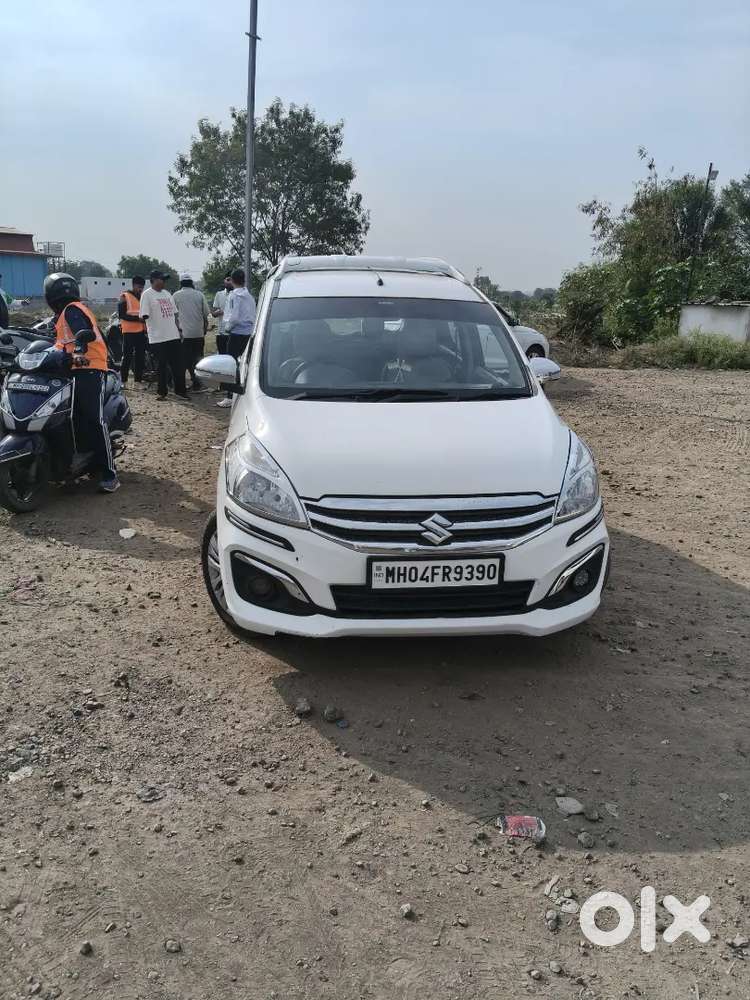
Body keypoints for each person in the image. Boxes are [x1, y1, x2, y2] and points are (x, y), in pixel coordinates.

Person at [43, 272, 119, 493]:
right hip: (73, 368)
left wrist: (78, 349)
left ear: (50, 296)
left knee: (94, 419)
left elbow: (82, 332)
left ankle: (109, 473)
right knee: (71, 417)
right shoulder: (64, 315)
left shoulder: (72, 310)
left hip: (89, 368)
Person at [139, 270, 188, 401]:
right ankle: (162, 392)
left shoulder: (167, 294)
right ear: (153, 280)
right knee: (161, 366)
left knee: (179, 365)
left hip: (173, 335)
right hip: (158, 337)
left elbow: (175, 314)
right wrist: (148, 331)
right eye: (161, 279)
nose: (164, 282)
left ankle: (180, 391)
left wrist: (179, 330)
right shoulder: (147, 295)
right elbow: (143, 316)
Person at [217, 268, 256, 408]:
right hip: (248, 333)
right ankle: (244, 391)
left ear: (232, 280)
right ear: (244, 279)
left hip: (236, 333)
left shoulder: (234, 296)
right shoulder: (249, 296)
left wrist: (227, 328)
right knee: (245, 364)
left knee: (231, 365)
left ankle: (230, 396)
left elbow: (233, 317)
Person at [173, 273, 209, 391]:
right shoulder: (200, 295)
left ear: (181, 283)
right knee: (198, 359)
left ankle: (184, 384)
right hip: (198, 333)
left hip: (184, 335)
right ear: (191, 283)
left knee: (184, 360)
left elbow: (174, 315)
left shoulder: (176, 296)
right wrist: (204, 328)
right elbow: (205, 313)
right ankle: (198, 383)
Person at [118, 275, 147, 386]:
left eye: (142, 287)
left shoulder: (142, 297)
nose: (141, 289)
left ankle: (138, 381)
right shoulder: (125, 296)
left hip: (140, 331)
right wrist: (138, 319)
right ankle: (123, 381)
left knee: (140, 356)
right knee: (127, 357)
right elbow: (122, 315)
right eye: (139, 287)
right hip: (129, 332)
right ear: (134, 285)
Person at [211, 273, 233, 355]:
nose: (229, 282)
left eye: (231, 280)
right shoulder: (219, 294)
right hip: (222, 333)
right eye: (228, 280)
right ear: (224, 281)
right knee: (222, 358)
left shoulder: (238, 295)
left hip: (234, 333)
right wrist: (218, 312)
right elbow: (213, 313)